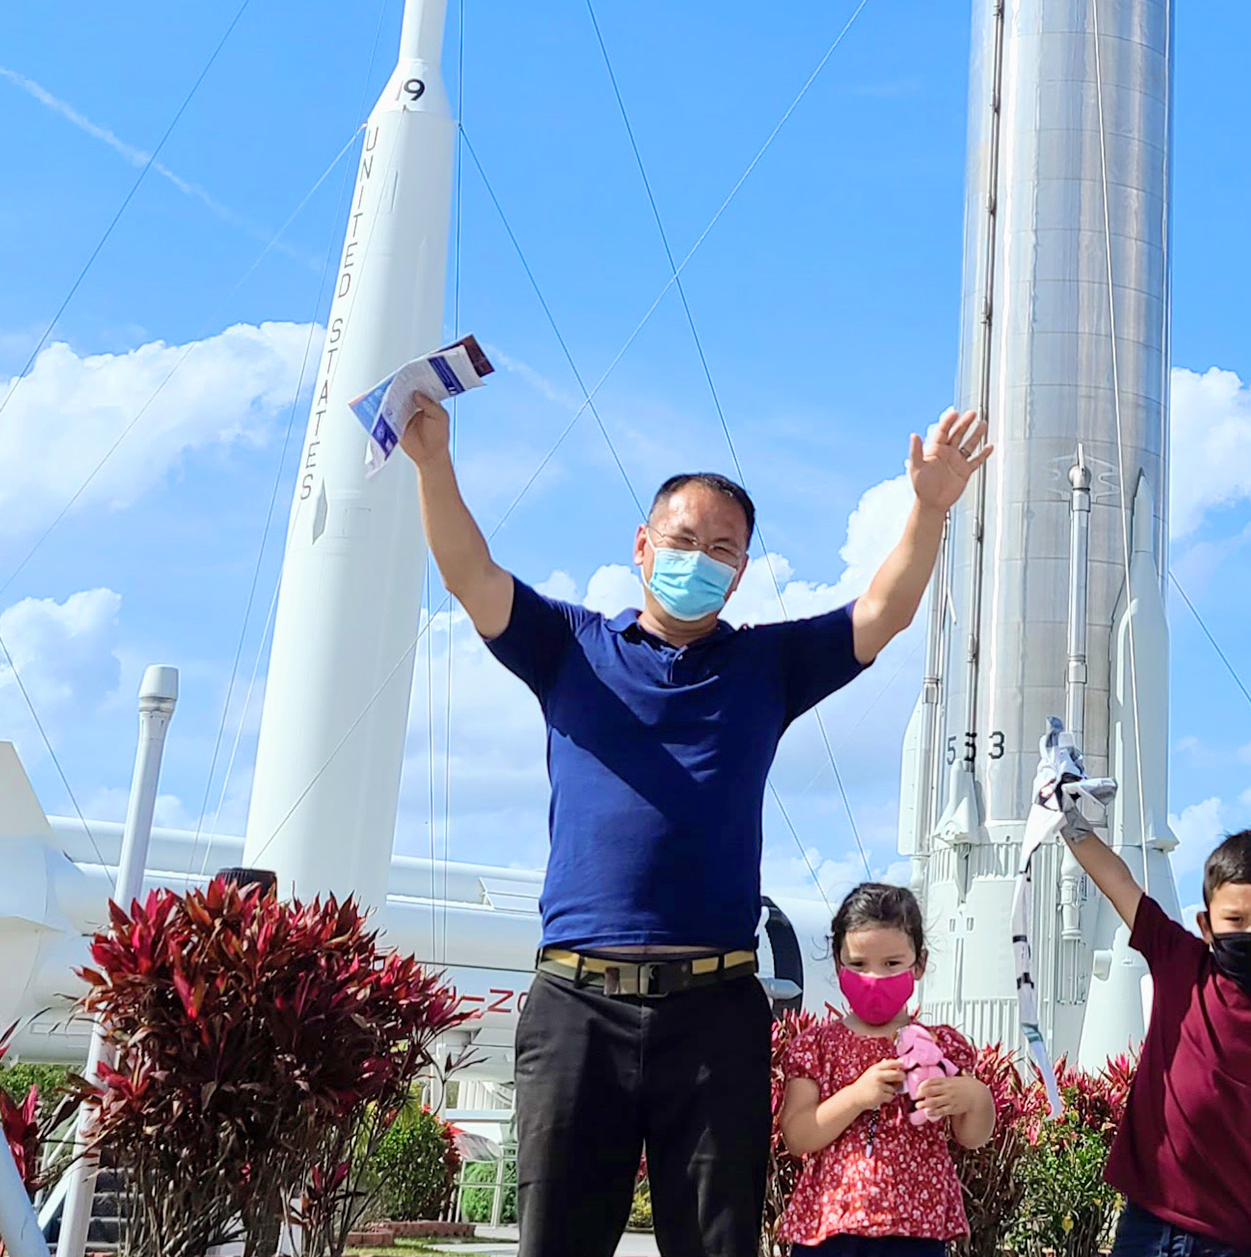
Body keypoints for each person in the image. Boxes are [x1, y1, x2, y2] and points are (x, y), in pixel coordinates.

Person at [403, 394, 990, 1257]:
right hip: (576, 1006)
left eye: (723, 549)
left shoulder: (766, 666)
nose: (699, 560)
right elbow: (470, 574)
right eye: (681, 541)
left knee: (715, 1246)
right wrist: (432, 464)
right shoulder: (568, 647)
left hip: (715, 1013)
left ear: (743, 569)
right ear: (642, 547)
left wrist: (931, 508)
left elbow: (883, 613)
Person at [1064, 818, 1251, 1257]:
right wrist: (1066, 819)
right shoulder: (1178, 960)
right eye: (1235, 919)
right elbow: (1117, 880)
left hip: (1234, 1235)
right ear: (1206, 926)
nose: (1250, 933)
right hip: (1146, 1223)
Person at [776, 882, 995, 1257]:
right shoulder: (816, 1047)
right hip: (830, 1229)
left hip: (917, 1231)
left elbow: (971, 1137)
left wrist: (975, 1098)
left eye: (892, 963)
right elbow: (798, 1135)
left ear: (919, 964)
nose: (874, 978)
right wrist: (856, 1096)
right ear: (837, 964)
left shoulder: (944, 1047)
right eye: (858, 964)